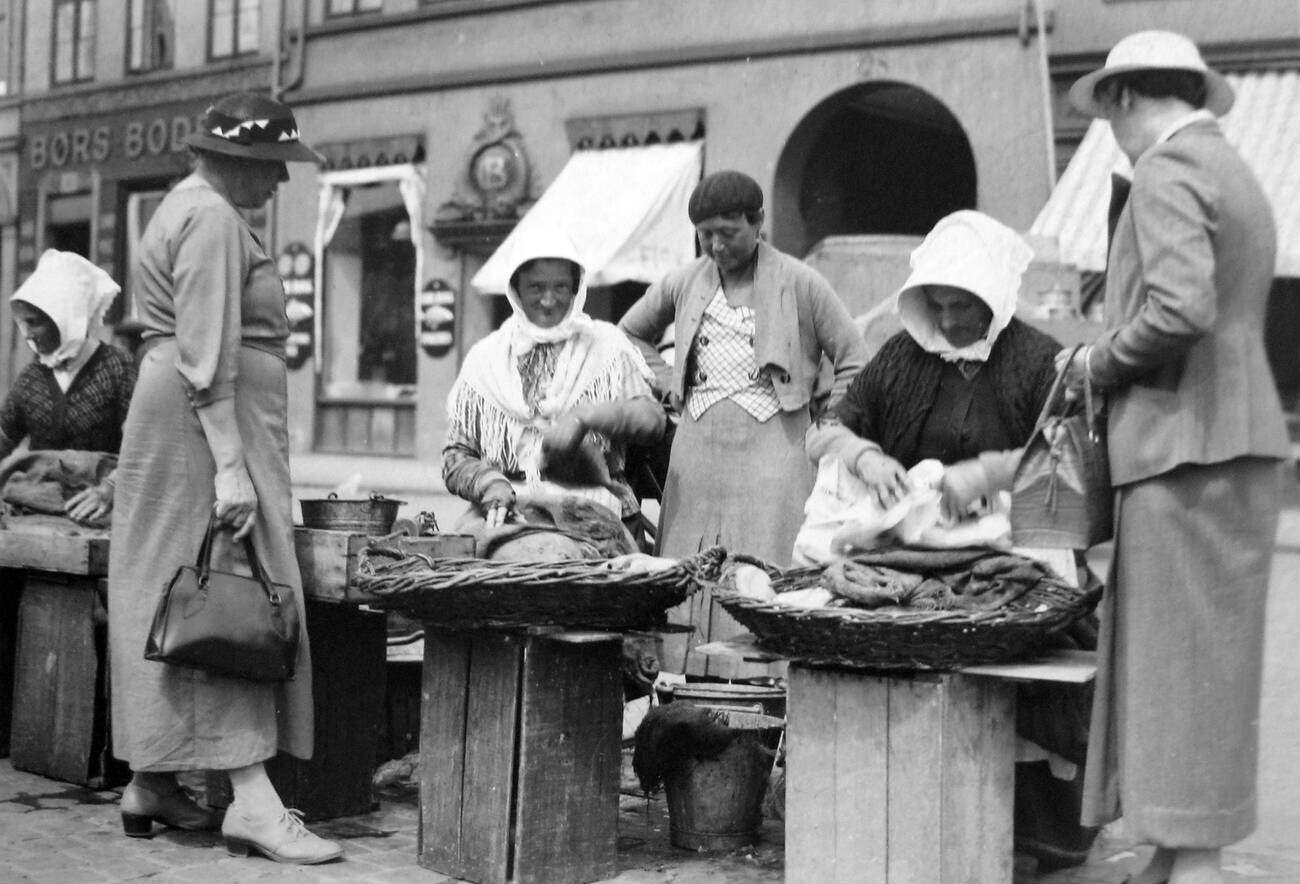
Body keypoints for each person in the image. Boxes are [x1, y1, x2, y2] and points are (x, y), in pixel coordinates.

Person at [1061, 31, 1289, 884]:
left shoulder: (1163, 170)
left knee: (1176, 667)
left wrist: (1096, 360)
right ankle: (1178, 846)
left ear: (1122, 98)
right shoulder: (1232, 167)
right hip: (1233, 443)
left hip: (1183, 448)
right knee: (1207, 666)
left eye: (1105, 112)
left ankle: (1192, 858)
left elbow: (1178, 308)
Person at [806, 209, 1098, 871]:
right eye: (937, 304)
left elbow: (1072, 459)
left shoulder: (1035, 359)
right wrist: (868, 459)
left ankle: (1034, 830)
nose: (950, 320)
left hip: (1016, 539)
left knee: (1032, 649)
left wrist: (991, 473)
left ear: (993, 299)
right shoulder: (901, 357)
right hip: (918, 543)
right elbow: (827, 428)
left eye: (963, 305)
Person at [107, 92, 343, 864]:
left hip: (182, 420)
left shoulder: (190, 208)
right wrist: (232, 470)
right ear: (239, 157)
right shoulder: (210, 219)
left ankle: (152, 779)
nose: (278, 181)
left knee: (179, 586)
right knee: (231, 591)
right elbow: (207, 356)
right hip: (204, 430)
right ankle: (252, 800)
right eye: (274, 164)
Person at [618, 170, 868, 670]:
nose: (715, 246)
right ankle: (683, 682)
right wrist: (669, 382)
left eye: (727, 233)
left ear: (757, 223)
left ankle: (766, 695)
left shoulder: (801, 282)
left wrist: (827, 421)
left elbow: (855, 358)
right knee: (687, 565)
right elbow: (629, 334)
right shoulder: (684, 282)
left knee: (766, 568)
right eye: (704, 234)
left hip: (775, 449)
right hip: (697, 451)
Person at [442, 229, 665, 546]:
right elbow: (455, 455)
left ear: (576, 287)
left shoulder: (607, 348)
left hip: (595, 508)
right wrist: (489, 484)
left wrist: (586, 417)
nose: (549, 301)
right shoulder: (486, 360)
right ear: (516, 288)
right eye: (536, 287)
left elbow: (652, 421)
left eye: (560, 287)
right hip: (507, 507)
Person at [0, 250, 136, 525]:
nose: (26, 334)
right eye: (23, 323)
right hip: (35, 504)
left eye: (34, 322)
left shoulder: (117, 368)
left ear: (64, 317)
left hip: (102, 509)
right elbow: (3, 438)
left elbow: (144, 443)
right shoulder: (32, 378)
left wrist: (110, 489)